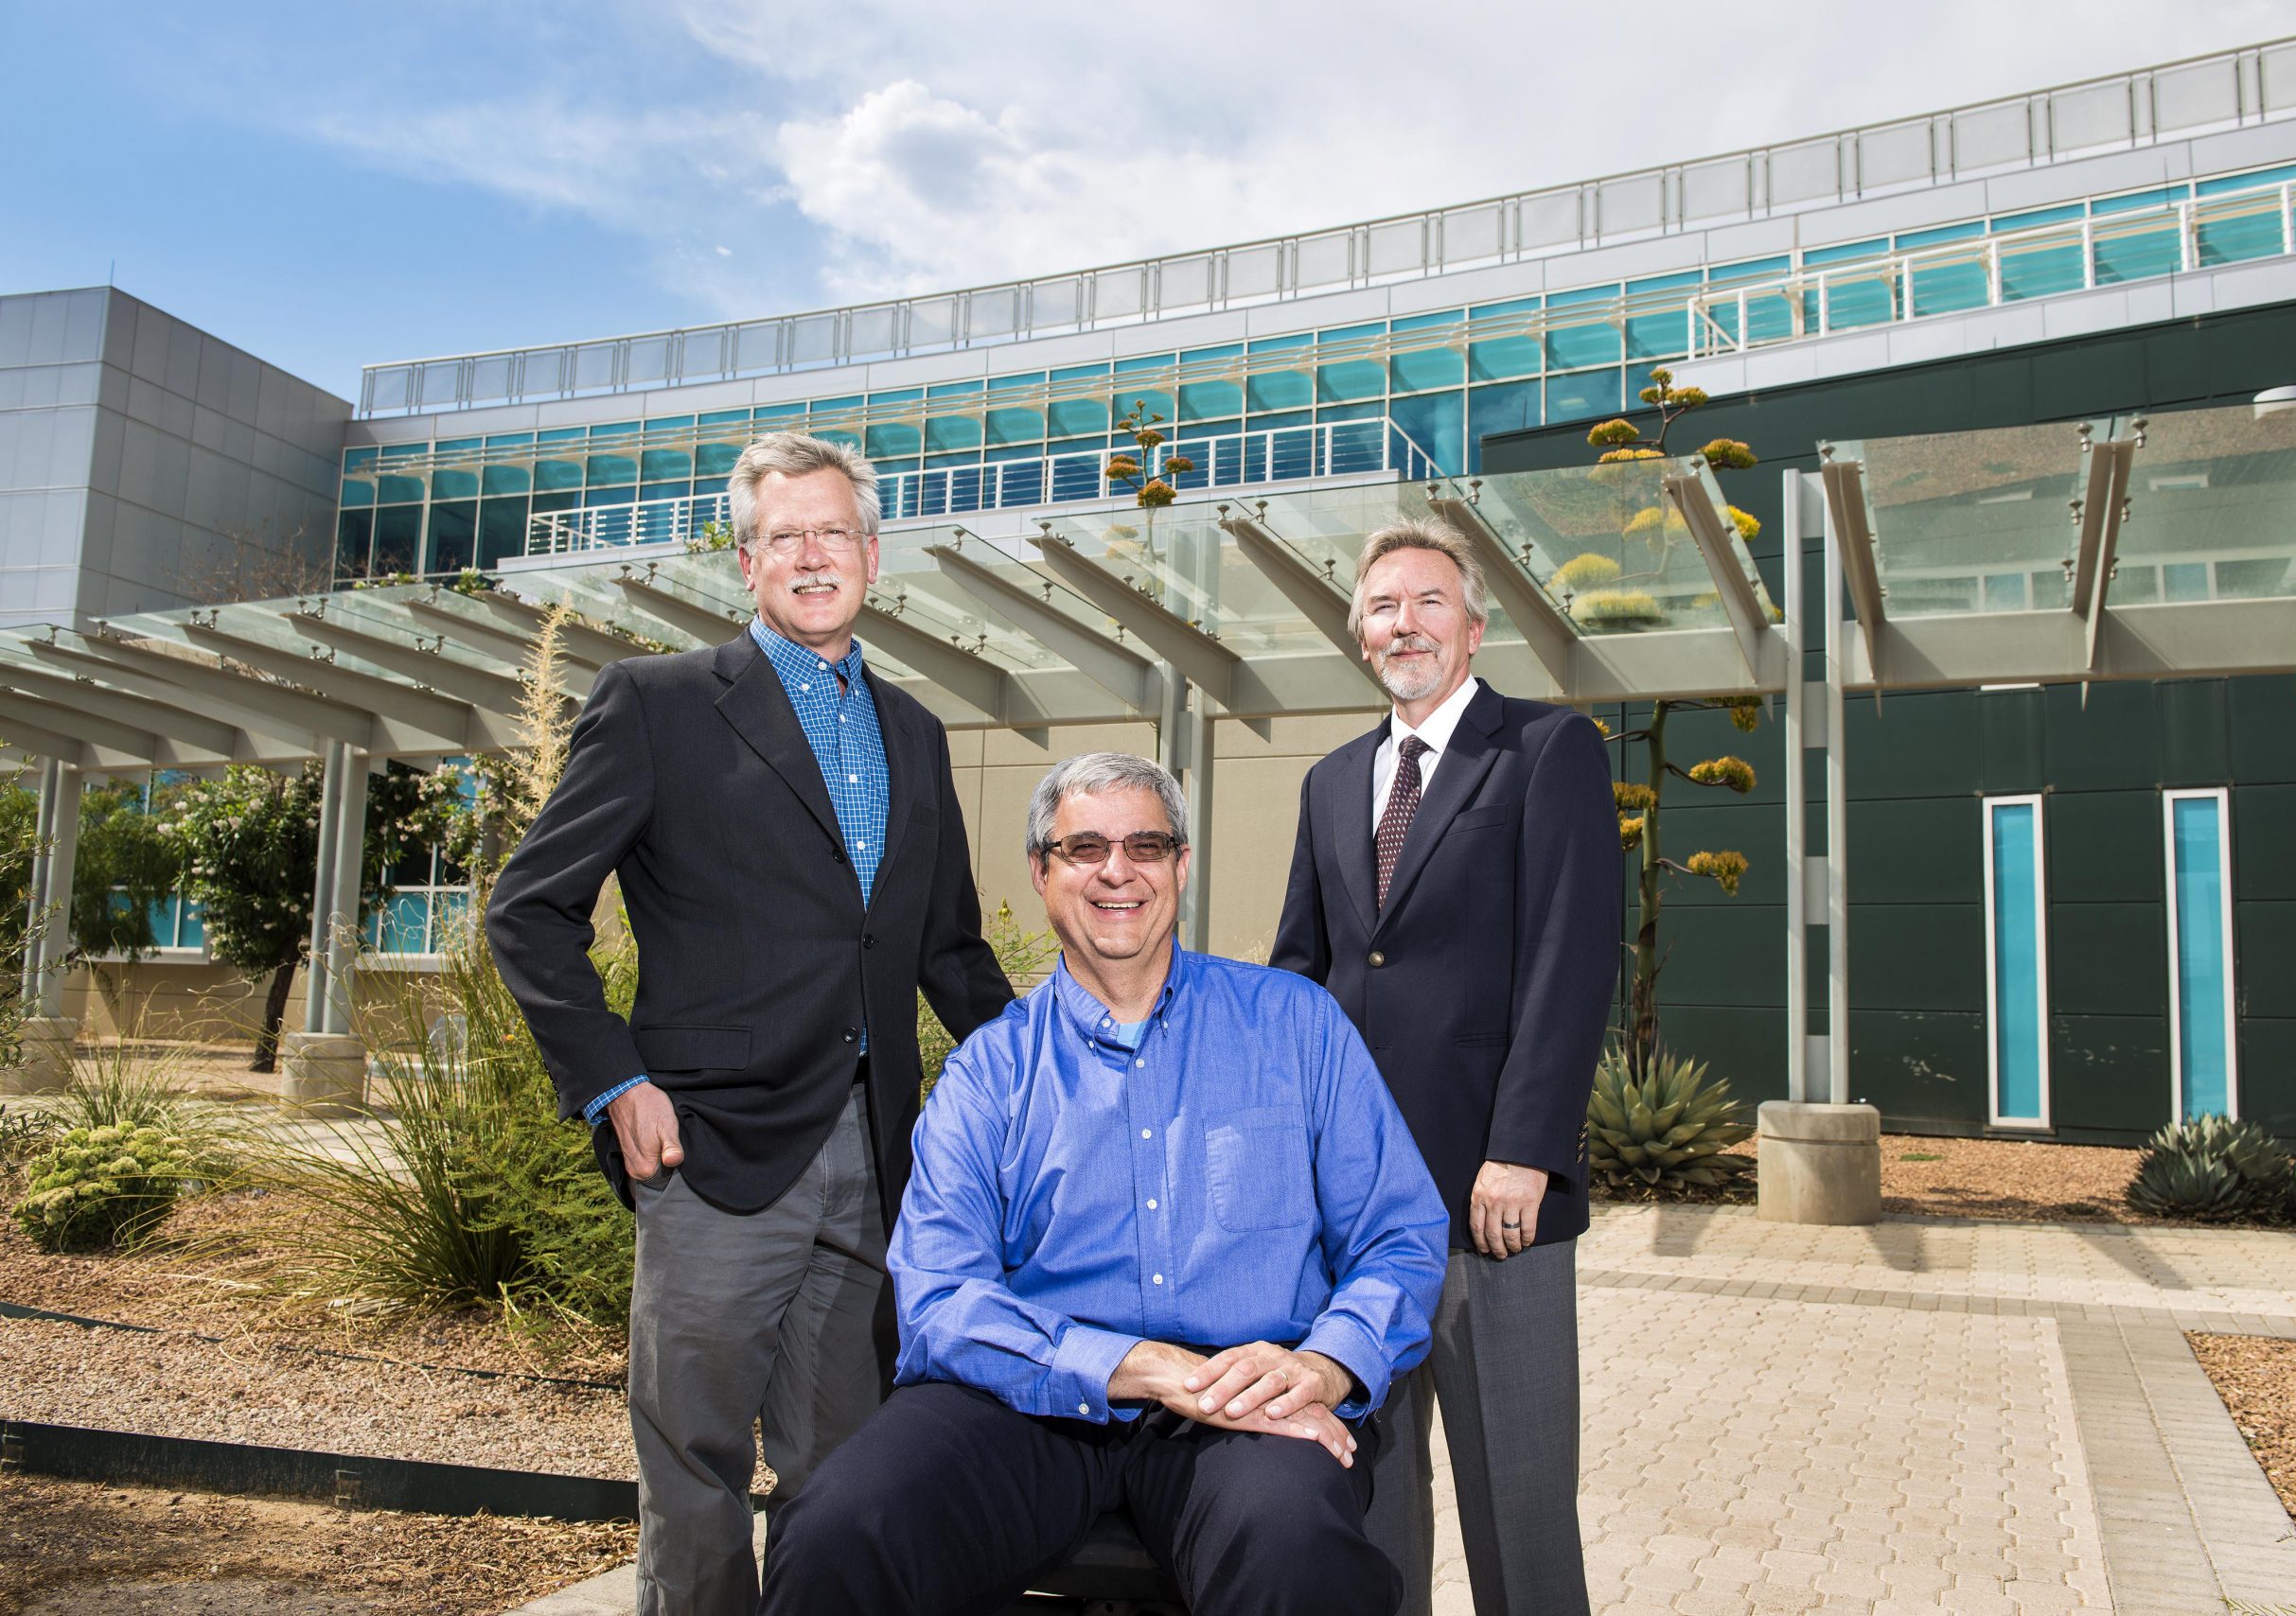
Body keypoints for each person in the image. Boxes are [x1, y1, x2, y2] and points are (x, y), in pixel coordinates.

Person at [486, 431, 1014, 1616]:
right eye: (786, 535)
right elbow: (529, 912)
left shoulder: (917, 733)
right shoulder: (658, 703)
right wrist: (614, 1080)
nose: (812, 555)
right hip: (712, 1148)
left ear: (872, 555)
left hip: (881, 1157)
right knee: (697, 1465)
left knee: (849, 1471)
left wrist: (1063, 1079)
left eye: (833, 532)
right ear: (747, 559)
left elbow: (947, 953)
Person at [760, 751, 1448, 1616]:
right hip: (1028, 1401)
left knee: (1300, 1559)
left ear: (1181, 867)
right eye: (1084, 848)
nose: (1116, 871)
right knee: (835, 1535)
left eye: (1146, 845)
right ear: (1043, 874)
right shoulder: (989, 1071)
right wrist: (1128, 1363)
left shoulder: (1297, 1026)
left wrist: (1324, 1366)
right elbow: (938, 1296)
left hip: (1241, 1405)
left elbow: (1400, 1235)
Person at [1271, 516, 1623, 1616]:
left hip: (1491, 1201)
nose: (1404, 623)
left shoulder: (1547, 749)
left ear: (1471, 627)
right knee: (1366, 1499)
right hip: (1355, 1208)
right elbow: (1302, 976)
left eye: (1428, 602)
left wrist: (1523, 1149)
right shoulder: (1331, 780)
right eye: (1383, 606)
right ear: (1359, 635)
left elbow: (1571, 960)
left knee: (1517, 1506)